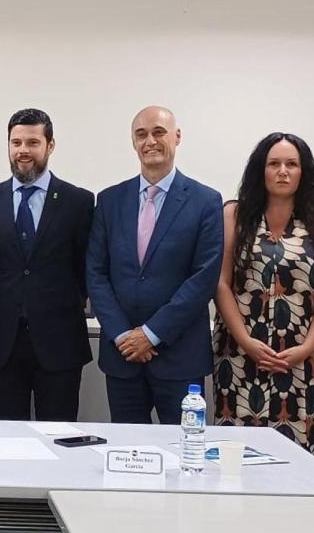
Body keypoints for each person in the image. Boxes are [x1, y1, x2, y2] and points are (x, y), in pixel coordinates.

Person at [86, 105, 223, 424]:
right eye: (141, 134)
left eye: (159, 132)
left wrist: (151, 334)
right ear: (133, 142)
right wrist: (122, 335)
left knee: (184, 458)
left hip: (179, 358)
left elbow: (203, 278)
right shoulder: (109, 201)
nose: (150, 141)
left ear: (177, 137)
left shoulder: (205, 201)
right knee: (128, 459)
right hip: (123, 358)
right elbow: (96, 273)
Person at [0, 108, 93, 421]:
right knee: (5, 441)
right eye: (16, 142)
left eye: (33, 142)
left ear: (50, 146)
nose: (23, 150)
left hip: (60, 342)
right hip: (3, 344)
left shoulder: (78, 201)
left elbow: (86, 269)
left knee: (59, 438)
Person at [213, 132, 314, 461]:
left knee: (302, 462)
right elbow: (221, 284)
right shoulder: (234, 215)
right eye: (274, 163)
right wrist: (246, 341)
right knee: (238, 460)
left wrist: (306, 348)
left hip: (307, 360)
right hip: (241, 355)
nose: (283, 171)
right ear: (259, 170)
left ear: (303, 171)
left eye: (292, 164)